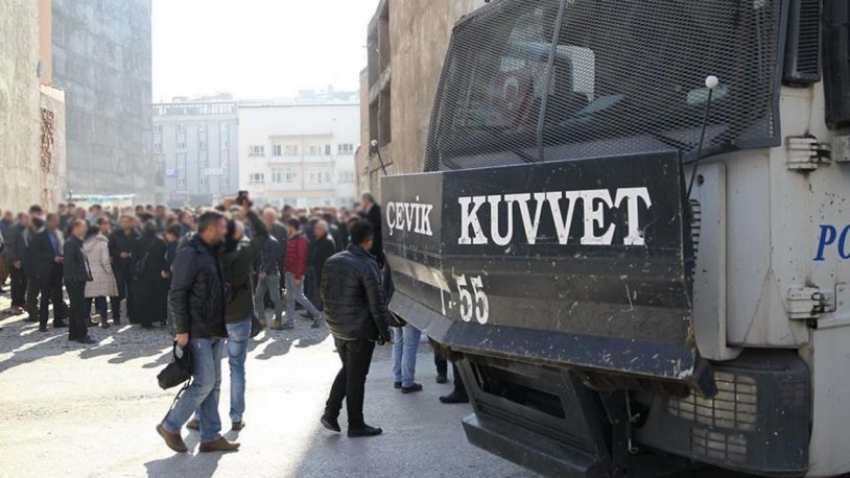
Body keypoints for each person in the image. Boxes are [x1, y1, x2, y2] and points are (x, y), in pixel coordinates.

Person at [157, 211, 239, 454]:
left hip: (213, 327)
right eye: (222, 228)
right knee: (204, 382)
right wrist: (181, 329)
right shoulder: (190, 253)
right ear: (211, 229)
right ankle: (170, 425)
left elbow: (215, 288)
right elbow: (177, 292)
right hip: (196, 329)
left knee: (213, 383)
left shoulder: (211, 252)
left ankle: (211, 435)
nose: (225, 232)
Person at [188, 200, 268, 433]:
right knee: (237, 367)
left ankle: (199, 416)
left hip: (213, 316)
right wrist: (249, 211)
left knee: (208, 371)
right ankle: (236, 417)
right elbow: (263, 233)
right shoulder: (244, 252)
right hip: (238, 316)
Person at [320, 220, 392, 438]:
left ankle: (331, 413)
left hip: (337, 326)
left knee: (349, 370)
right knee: (356, 377)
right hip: (358, 330)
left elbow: (324, 293)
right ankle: (356, 423)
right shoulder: (367, 265)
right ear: (368, 241)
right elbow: (377, 304)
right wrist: (385, 333)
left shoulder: (333, 260)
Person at [282, 218, 322, 329]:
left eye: (287, 225)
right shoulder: (291, 238)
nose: (286, 227)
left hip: (295, 273)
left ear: (291, 226)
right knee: (290, 298)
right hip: (289, 272)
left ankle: (317, 315)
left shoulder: (301, 240)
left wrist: (298, 275)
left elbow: (301, 259)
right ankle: (290, 322)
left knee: (299, 297)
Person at [30, 214, 67, 332]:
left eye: (58, 221)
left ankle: (58, 320)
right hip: (45, 270)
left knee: (58, 296)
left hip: (58, 269)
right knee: (45, 297)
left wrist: (62, 257)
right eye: (54, 221)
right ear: (48, 222)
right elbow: (36, 253)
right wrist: (52, 258)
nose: (56, 223)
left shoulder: (59, 234)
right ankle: (43, 322)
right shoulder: (40, 235)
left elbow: (61, 248)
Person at [131, 221, 169, 329]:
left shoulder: (138, 241)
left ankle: (146, 322)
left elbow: (134, 259)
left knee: (144, 298)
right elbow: (164, 257)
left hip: (143, 275)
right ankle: (162, 319)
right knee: (159, 297)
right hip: (158, 274)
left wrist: (134, 273)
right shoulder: (161, 242)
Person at [64, 220, 95, 344]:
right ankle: (82, 334)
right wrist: (80, 274)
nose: (85, 229)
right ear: (76, 227)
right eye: (83, 227)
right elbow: (69, 262)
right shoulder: (71, 243)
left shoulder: (77, 242)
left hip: (79, 279)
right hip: (74, 279)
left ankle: (73, 333)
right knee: (79, 308)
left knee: (75, 308)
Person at [84, 218, 118, 329]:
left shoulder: (84, 244)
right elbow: (105, 260)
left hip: (88, 271)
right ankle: (104, 320)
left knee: (88, 298)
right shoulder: (102, 244)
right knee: (101, 297)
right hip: (100, 271)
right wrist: (109, 272)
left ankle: (86, 319)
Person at [109, 216, 138, 325]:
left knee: (132, 292)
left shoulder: (136, 235)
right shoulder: (114, 234)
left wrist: (132, 254)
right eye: (123, 222)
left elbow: (140, 249)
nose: (125, 224)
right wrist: (119, 254)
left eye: (128, 222)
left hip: (131, 267)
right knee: (116, 292)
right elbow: (110, 249)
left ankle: (132, 315)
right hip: (118, 266)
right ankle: (116, 316)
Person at [306, 220, 336, 311]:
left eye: (317, 229)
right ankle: (311, 310)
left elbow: (329, 258)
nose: (314, 230)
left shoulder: (328, 241)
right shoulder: (317, 239)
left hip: (321, 269)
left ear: (322, 230)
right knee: (312, 290)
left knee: (317, 291)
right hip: (314, 268)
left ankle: (314, 311)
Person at [256, 233, 283, 329]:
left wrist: (265, 272)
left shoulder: (271, 242)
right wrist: (261, 270)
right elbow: (265, 259)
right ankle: (262, 319)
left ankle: (278, 321)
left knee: (275, 298)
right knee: (258, 296)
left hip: (272, 274)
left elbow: (272, 259)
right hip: (266, 272)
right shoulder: (266, 241)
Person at [5, 213, 30, 315]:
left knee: (24, 282)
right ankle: (15, 304)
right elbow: (9, 247)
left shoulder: (26, 229)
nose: (27, 221)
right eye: (25, 219)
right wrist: (15, 260)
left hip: (24, 261)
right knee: (16, 283)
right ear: (20, 219)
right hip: (14, 262)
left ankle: (22, 301)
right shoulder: (14, 230)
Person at [392, 322, 423, 394]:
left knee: (398, 342)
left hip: (395, 313)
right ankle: (407, 381)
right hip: (410, 314)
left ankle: (398, 378)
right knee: (409, 344)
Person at [359, 192, 384, 267]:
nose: (362, 202)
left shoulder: (377, 209)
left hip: (376, 238)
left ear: (367, 200)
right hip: (369, 238)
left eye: (362, 200)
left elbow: (378, 223)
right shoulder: (365, 210)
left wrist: (367, 226)